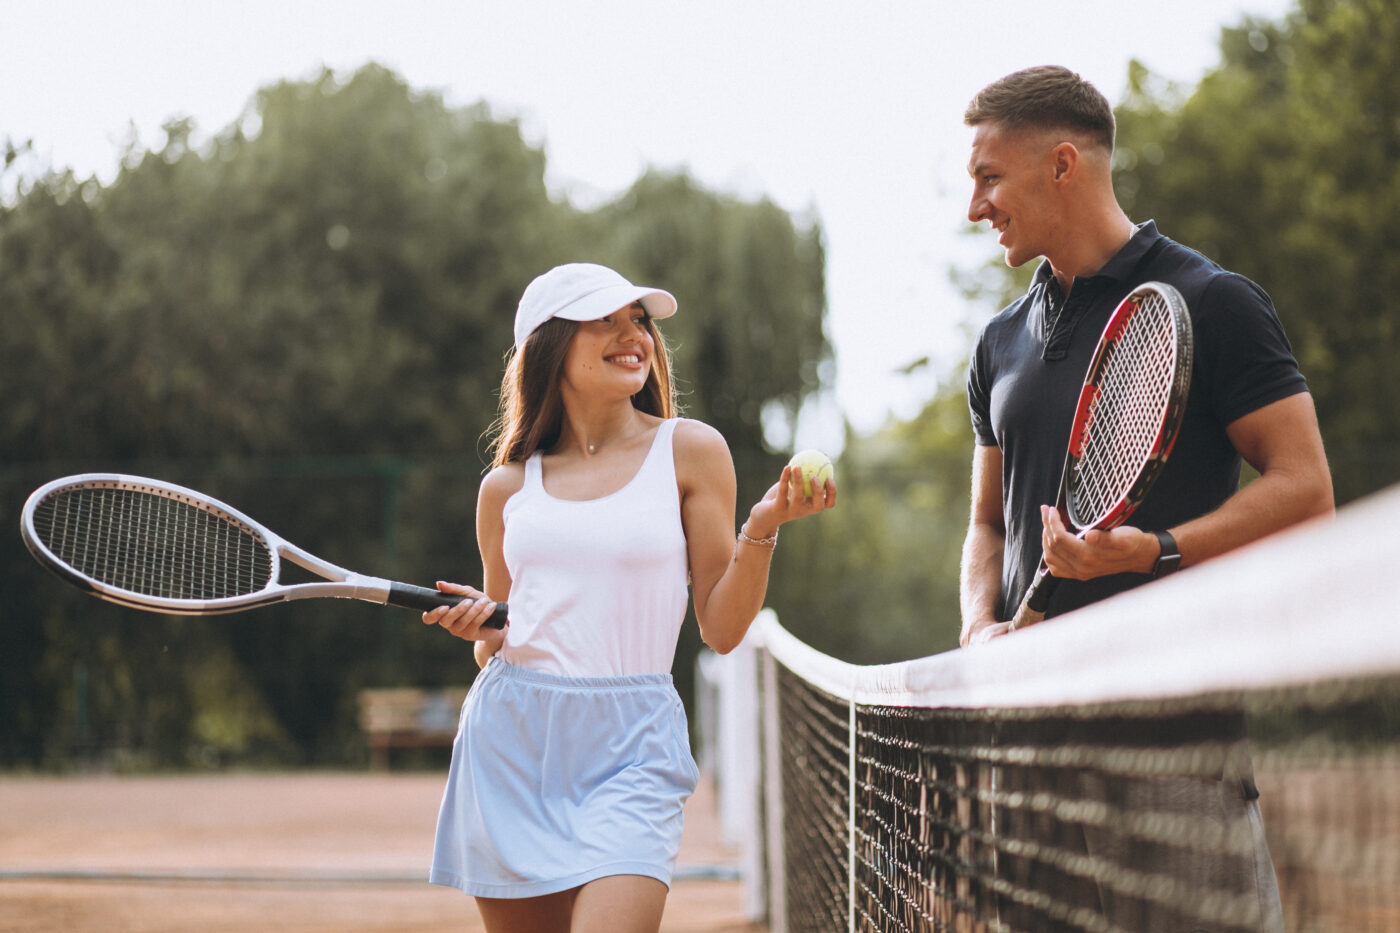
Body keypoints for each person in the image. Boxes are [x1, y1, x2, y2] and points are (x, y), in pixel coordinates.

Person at [956, 66, 1333, 930]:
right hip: (1026, 750)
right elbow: (984, 522)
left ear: (1062, 165)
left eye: (988, 177)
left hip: (1169, 740)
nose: (974, 207)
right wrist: (979, 627)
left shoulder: (1217, 302)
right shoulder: (997, 342)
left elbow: (1307, 489)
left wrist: (1154, 550)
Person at [419, 261, 835, 933]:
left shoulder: (691, 452)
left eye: (637, 320)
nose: (633, 335)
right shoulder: (504, 489)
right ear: (550, 346)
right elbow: (497, 638)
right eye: (604, 321)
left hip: (633, 747)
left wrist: (760, 528)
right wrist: (480, 627)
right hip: (511, 745)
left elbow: (723, 629)